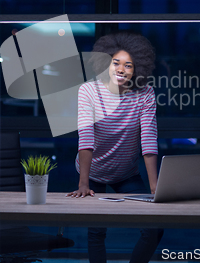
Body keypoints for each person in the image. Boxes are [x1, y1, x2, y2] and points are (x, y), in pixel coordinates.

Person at [66, 30, 164, 263]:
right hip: (94, 172)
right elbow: (86, 138)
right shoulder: (88, 91)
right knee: (97, 231)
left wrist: (155, 187)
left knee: (154, 229)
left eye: (128, 65)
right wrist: (83, 184)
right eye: (115, 62)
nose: (121, 69)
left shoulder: (145, 94)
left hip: (126, 172)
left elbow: (148, 140)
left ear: (137, 68)